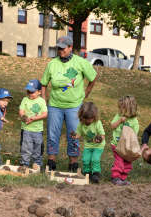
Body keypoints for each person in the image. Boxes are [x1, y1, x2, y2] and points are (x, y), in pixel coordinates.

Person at [41, 36, 98, 172]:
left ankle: (73, 165)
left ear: (70, 47)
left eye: (63, 48)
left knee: (73, 135)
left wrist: (86, 93)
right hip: (55, 105)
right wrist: (43, 98)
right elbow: (44, 83)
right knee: (52, 134)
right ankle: (51, 163)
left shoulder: (80, 62)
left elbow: (93, 77)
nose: (60, 50)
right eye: (58, 48)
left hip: (74, 106)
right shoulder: (52, 63)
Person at [70, 102, 105, 183]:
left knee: (94, 159)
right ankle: (87, 173)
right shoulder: (81, 124)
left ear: (94, 116)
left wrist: (99, 139)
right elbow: (79, 134)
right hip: (88, 145)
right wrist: (75, 136)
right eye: (87, 119)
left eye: (91, 118)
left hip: (98, 146)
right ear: (83, 117)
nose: (89, 121)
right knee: (85, 159)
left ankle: (96, 173)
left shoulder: (97, 123)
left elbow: (102, 135)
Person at [110, 95, 139, 185]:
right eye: (119, 108)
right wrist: (120, 121)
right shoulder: (118, 116)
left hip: (127, 147)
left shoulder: (134, 121)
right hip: (117, 145)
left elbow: (135, 135)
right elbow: (112, 126)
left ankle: (122, 178)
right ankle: (115, 177)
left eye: (122, 108)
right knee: (119, 162)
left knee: (127, 163)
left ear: (129, 108)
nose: (120, 110)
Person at [19, 79, 48, 167]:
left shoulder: (41, 101)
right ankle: (25, 162)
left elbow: (45, 114)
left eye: (32, 92)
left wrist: (34, 118)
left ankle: (37, 163)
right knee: (26, 147)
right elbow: (21, 111)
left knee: (38, 147)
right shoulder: (25, 99)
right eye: (28, 92)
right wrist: (24, 117)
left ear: (39, 92)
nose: (30, 94)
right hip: (27, 129)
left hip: (38, 130)